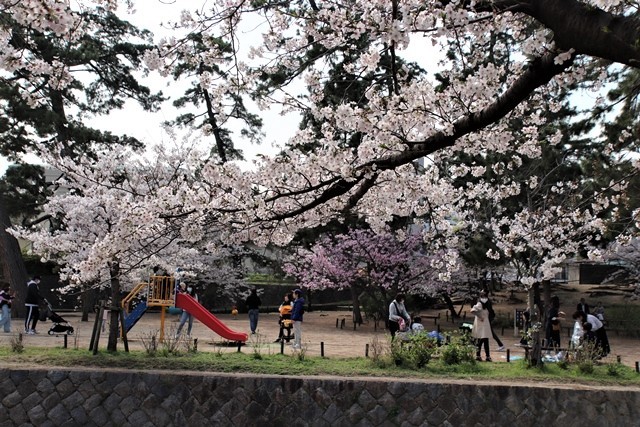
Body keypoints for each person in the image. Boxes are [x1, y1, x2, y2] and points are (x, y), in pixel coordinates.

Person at [470, 297, 492, 362]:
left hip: (484, 325)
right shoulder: (480, 304)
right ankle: (480, 356)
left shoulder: (484, 306)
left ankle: (486, 356)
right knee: (482, 341)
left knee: (484, 341)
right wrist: (480, 317)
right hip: (481, 325)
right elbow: (472, 310)